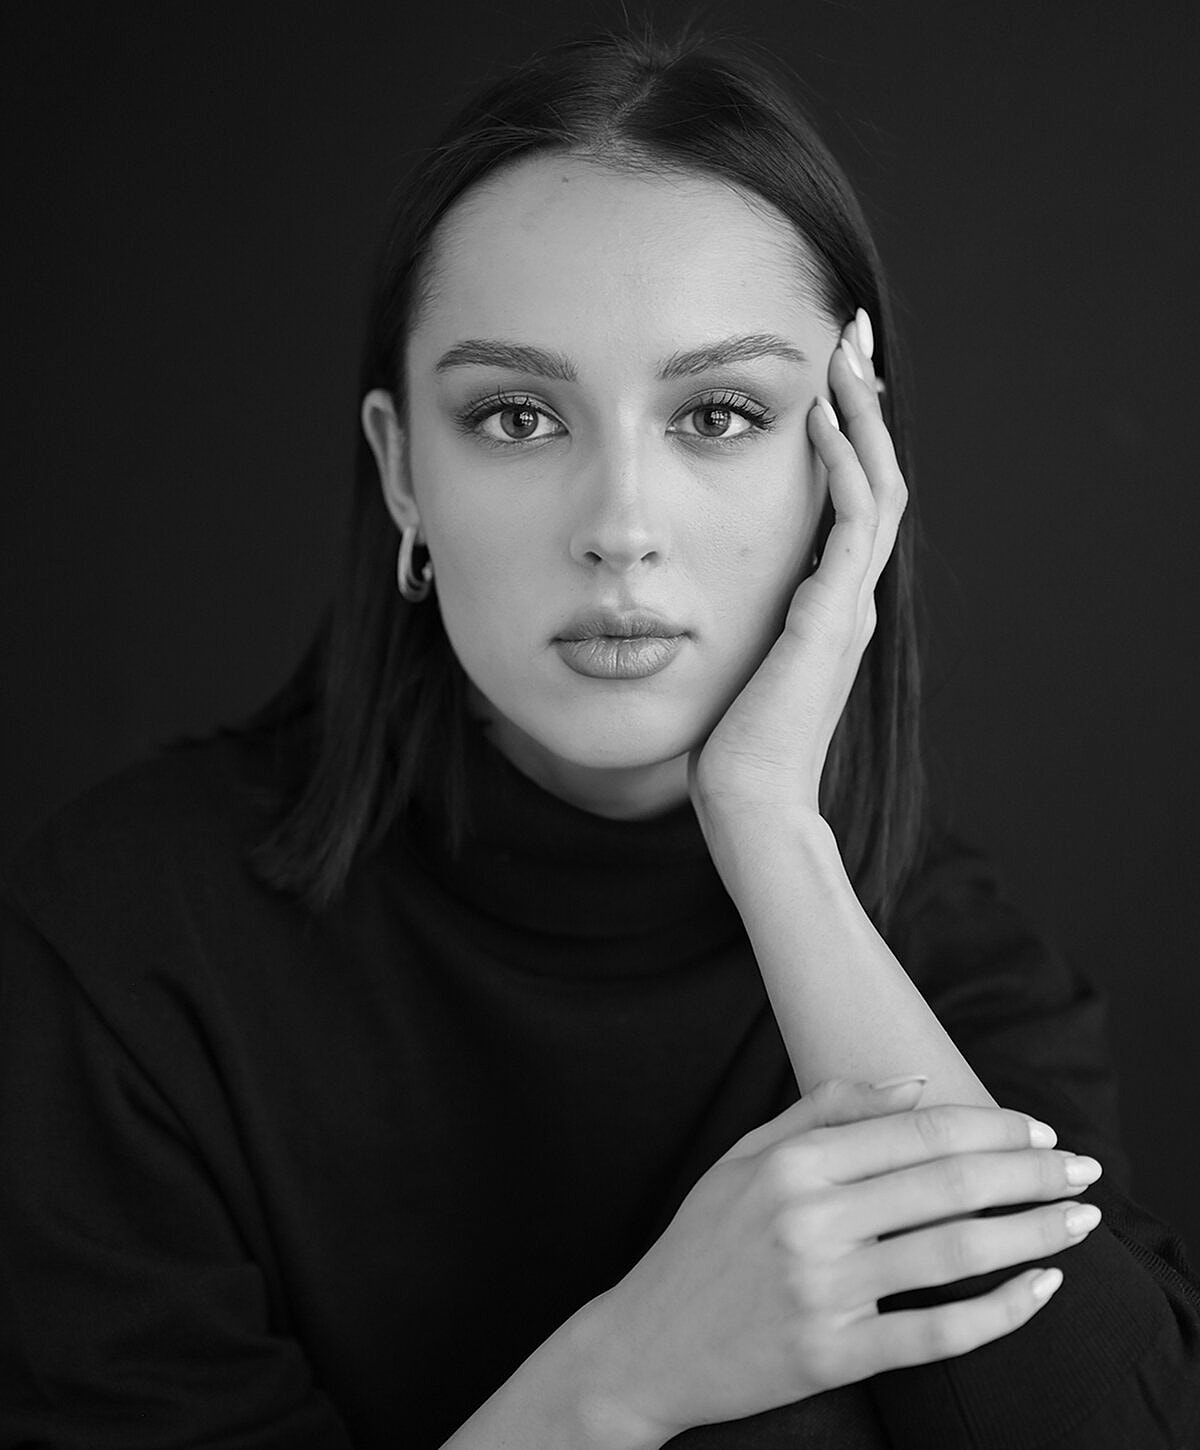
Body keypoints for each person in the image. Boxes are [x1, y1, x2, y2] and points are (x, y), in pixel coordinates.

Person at [1, 20, 1197, 1450]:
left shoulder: (937, 963)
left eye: (719, 412)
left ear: (849, 463)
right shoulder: (122, 946)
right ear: (400, 470)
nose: (620, 527)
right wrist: (618, 1382)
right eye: (515, 415)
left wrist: (767, 827)